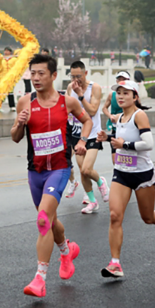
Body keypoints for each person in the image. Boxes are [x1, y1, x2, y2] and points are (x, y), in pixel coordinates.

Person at [10, 54, 89, 298]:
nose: (35, 78)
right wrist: (20, 124)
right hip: (35, 172)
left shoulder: (67, 102)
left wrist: (83, 142)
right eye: (32, 73)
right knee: (50, 222)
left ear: (54, 75)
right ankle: (67, 251)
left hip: (59, 168)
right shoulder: (25, 102)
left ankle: (40, 279)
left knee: (43, 219)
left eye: (41, 73)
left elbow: (87, 121)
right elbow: (14, 136)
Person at [95, 80, 155, 278]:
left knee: (148, 218)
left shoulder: (140, 115)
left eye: (125, 93)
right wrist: (107, 137)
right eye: (118, 93)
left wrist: (125, 145)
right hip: (121, 173)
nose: (120, 96)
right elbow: (120, 137)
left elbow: (148, 143)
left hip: (142, 174)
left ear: (135, 97)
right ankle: (115, 264)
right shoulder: (119, 117)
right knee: (114, 216)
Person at [66, 60, 110, 214]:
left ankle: (100, 181)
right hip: (77, 135)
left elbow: (92, 111)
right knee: (82, 170)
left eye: (78, 76)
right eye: (72, 77)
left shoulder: (94, 88)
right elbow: (66, 108)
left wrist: (80, 96)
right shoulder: (70, 87)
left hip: (93, 135)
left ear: (85, 73)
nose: (75, 80)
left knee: (87, 168)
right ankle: (92, 201)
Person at [101, 71, 131, 165]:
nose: (121, 81)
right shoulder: (112, 95)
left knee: (128, 158)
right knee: (115, 161)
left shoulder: (132, 95)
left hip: (129, 128)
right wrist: (110, 116)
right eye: (119, 79)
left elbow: (138, 108)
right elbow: (104, 108)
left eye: (124, 79)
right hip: (115, 128)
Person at [3, 47, 17, 111]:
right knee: (1, 92)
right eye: (5, 51)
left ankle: (12, 105)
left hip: (11, 77)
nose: (6, 52)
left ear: (10, 52)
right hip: (3, 77)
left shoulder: (14, 59)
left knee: (10, 91)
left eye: (7, 51)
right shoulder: (1, 59)